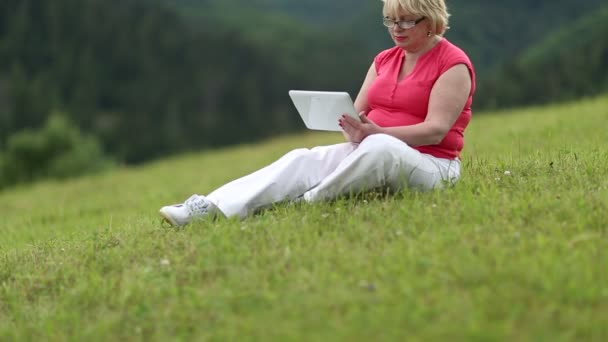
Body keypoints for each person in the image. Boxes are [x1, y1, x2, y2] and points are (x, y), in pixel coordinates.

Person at [159, 0, 475, 227]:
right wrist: (353, 127)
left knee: (381, 148)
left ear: (431, 20)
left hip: (433, 165)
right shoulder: (384, 59)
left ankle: (307, 203)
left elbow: (436, 129)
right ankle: (211, 207)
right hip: (371, 146)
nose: (396, 28)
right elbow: (360, 110)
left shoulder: (453, 63)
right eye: (391, 20)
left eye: (407, 21)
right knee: (303, 158)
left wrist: (377, 134)